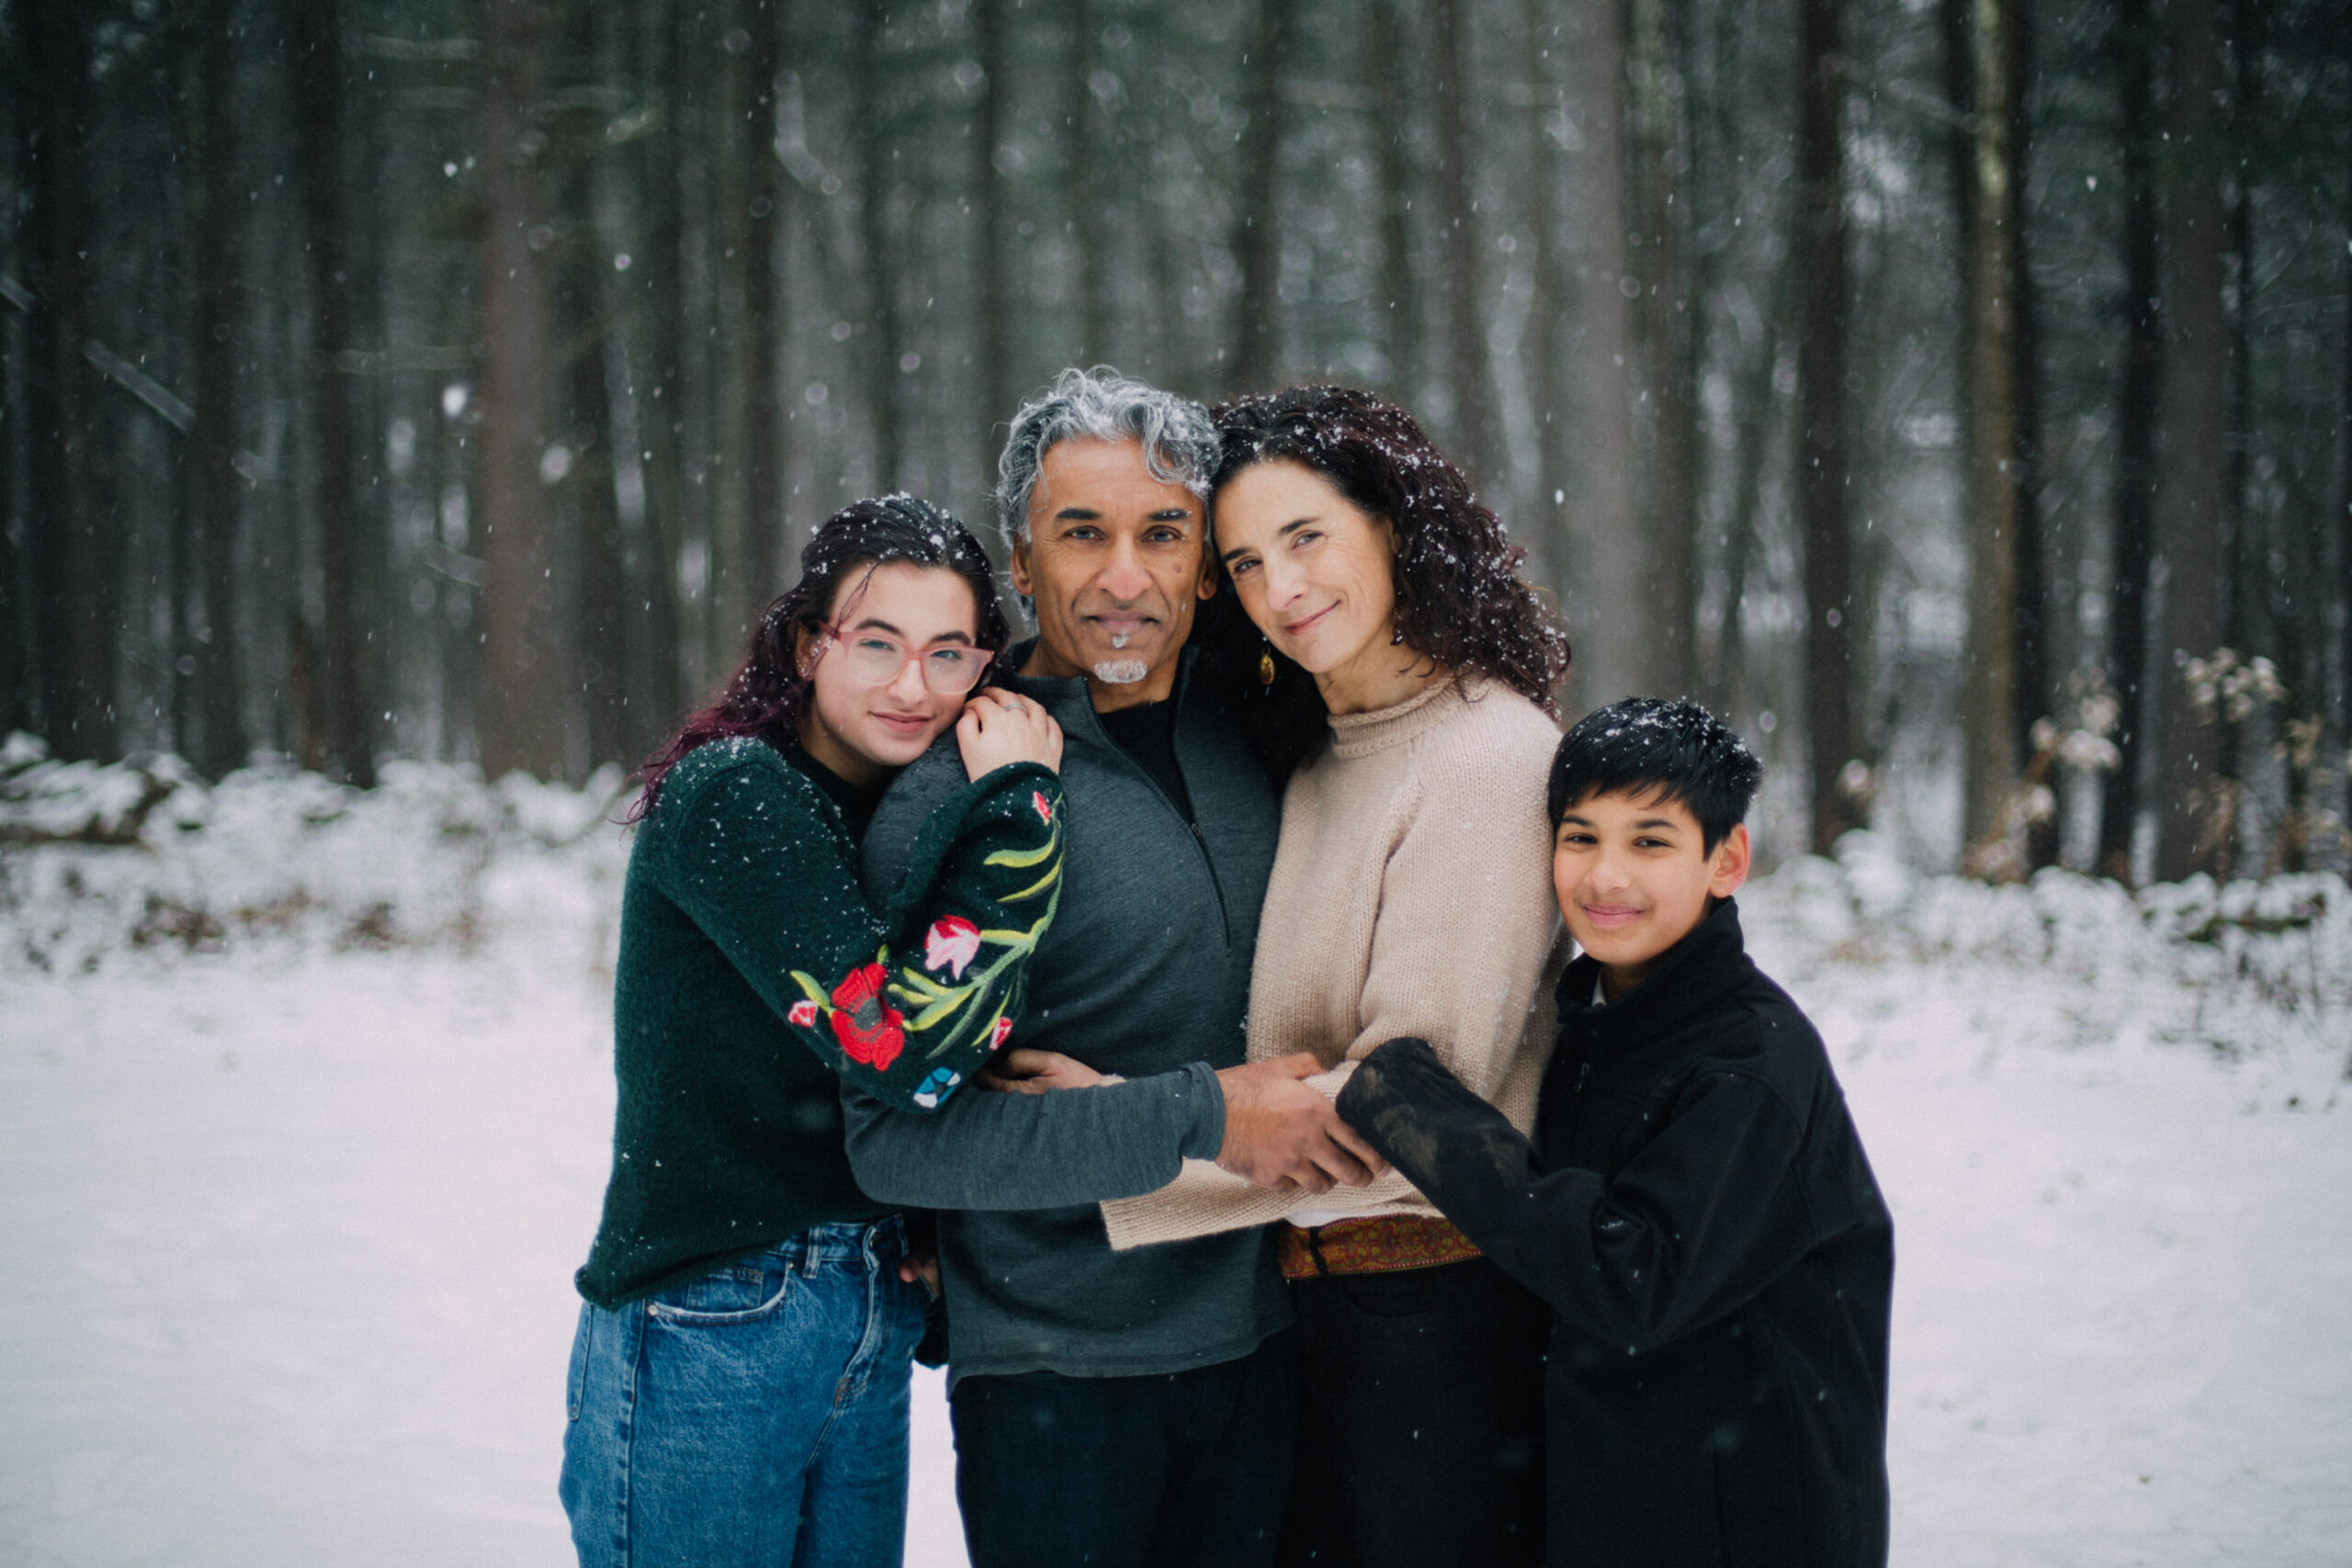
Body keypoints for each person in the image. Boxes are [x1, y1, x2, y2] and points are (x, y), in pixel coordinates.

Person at [838, 369, 1385, 1568]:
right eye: (1081, 532)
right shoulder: (956, 799)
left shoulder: (1264, 741)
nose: (1122, 574)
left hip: (1268, 1348)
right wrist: (1205, 1117)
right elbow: (895, 1132)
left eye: (1161, 532)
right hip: (1056, 1382)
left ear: (1206, 564)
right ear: (1022, 566)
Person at [1091, 384, 1575, 1567]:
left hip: (1430, 1311)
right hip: (1311, 1300)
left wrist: (1113, 1151)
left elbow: (1408, 1112)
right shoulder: (1319, 760)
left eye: (1306, 538)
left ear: (1396, 525)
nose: (1281, 590)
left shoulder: (1487, 756)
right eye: (1246, 562)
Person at [560, 496, 1070, 1568]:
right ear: (806, 643)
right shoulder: (737, 793)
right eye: (876, 644)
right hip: (713, 1314)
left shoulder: (892, 808)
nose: (911, 687)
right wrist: (1022, 801)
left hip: (863, 1300)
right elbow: (902, 1049)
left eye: (948, 654)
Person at [1335, 697, 1896, 1568]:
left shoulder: (1751, 1066)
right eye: (1580, 836)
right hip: (1619, 1504)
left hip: (1749, 1523)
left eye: (1650, 841)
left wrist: (1416, 1108)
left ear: (1727, 858)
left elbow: (1630, 1275)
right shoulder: (1591, 1025)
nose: (1605, 877)